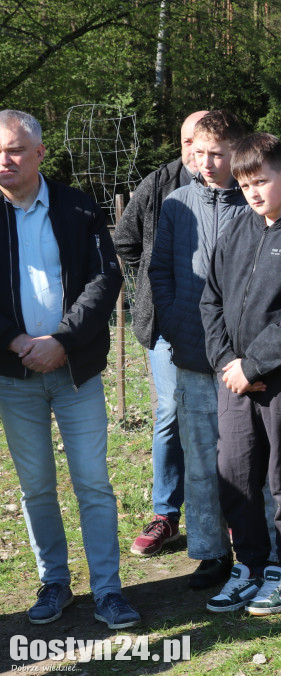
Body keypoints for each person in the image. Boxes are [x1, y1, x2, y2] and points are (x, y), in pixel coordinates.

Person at [0, 109, 141, 628]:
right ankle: (54, 582)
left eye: (14, 149)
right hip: (14, 376)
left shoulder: (78, 208)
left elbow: (104, 281)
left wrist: (61, 341)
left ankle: (109, 590)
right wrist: (17, 341)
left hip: (75, 371)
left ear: (39, 153)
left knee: (93, 483)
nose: (4, 160)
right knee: (35, 485)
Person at [199, 133, 281, 615]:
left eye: (262, 182)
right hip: (232, 377)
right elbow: (210, 298)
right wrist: (227, 362)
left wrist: (255, 365)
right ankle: (248, 565)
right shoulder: (236, 229)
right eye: (245, 184)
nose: (253, 193)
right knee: (235, 472)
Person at [149, 110, 249, 589]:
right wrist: (174, 323)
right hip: (191, 354)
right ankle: (211, 552)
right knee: (202, 461)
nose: (207, 163)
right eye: (200, 153)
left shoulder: (252, 204)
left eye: (217, 154)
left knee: (252, 459)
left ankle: (259, 543)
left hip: (244, 360)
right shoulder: (176, 205)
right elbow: (160, 273)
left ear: (236, 153)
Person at [114, 110, 207, 556]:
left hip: (222, 324)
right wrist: (153, 288)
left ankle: (226, 511)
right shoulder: (157, 183)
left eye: (205, 141)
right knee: (170, 411)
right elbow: (126, 241)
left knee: (224, 416)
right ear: (181, 142)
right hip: (167, 323)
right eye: (189, 140)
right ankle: (165, 513)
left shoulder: (237, 181)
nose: (197, 151)